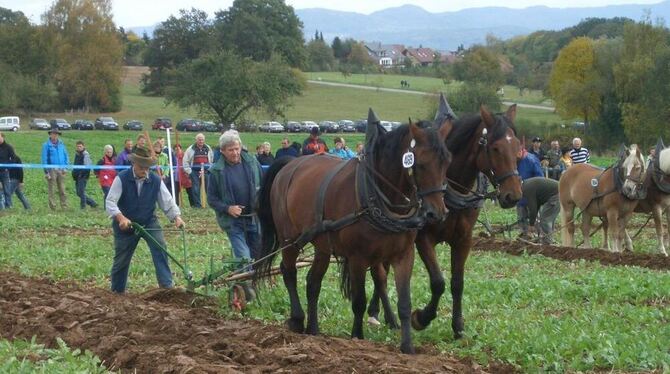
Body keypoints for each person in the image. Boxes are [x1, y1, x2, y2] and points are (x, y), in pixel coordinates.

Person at [105, 146, 185, 293]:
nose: (145, 170)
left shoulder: (155, 180)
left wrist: (176, 217)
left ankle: (166, 287)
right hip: (126, 225)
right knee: (122, 258)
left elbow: (166, 201)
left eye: (147, 167)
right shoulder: (121, 178)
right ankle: (117, 291)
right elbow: (110, 202)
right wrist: (121, 218)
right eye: (142, 167)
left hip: (149, 221)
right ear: (134, 164)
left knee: (160, 248)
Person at [207, 131, 263, 275]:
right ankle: (246, 288)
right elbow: (211, 199)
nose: (235, 152)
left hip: (253, 218)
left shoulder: (252, 163)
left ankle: (256, 283)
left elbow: (263, 186)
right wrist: (227, 208)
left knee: (258, 255)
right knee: (244, 257)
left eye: (237, 148)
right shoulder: (216, 171)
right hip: (233, 222)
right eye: (231, 150)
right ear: (223, 151)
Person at [521, 177, 560, 244]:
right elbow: (536, 205)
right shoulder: (527, 184)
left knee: (545, 219)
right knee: (549, 219)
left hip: (556, 195)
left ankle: (547, 242)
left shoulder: (526, 189)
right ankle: (549, 239)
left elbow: (532, 208)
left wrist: (531, 225)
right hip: (560, 192)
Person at [516, 147, 544, 239]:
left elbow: (539, 177)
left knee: (534, 214)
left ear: (520, 151)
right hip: (519, 193)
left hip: (532, 192)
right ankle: (524, 234)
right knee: (521, 214)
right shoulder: (513, 160)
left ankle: (537, 234)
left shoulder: (531, 160)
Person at [41, 127, 69, 210]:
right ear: (50, 134)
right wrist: (46, 172)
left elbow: (66, 155)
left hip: (61, 169)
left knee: (62, 189)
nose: (55, 135)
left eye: (56, 134)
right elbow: (44, 158)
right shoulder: (46, 145)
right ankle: (53, 206)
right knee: (52, 189)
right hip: (51, 169)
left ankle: (64, 206)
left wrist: (65, 167)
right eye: (53, 134)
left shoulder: (61, 144)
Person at [182, 133, 213, 208]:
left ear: (204, 140)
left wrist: (209, 168)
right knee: (196, 189)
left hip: (206, 171)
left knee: (209, 188)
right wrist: (189, 171)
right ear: (196, 140)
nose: (201, 141)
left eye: (202, 139)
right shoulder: (191, 149)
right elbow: (185, 161)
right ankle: (197, 205)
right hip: (194, 172)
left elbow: (211, 159)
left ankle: (211, 204)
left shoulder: (208, 148)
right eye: (199, 139)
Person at [72, 140, 98, 209]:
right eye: (77, 146)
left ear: (83, 146)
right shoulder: (77, 154)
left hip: (83, 176)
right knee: (78, 193)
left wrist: (81, 174)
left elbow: (87, 167)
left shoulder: (86, 155)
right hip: (77, 176)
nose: (79, 148)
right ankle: (93, 203)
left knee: (81, 192)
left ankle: (83, 207)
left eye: (80, 146)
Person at [0, 132, 17, 209]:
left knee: (6, 189)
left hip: (5, 172)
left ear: (3, 137)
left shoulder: (8, 147)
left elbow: (13, 159)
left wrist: (7, 167)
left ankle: (8, 205)